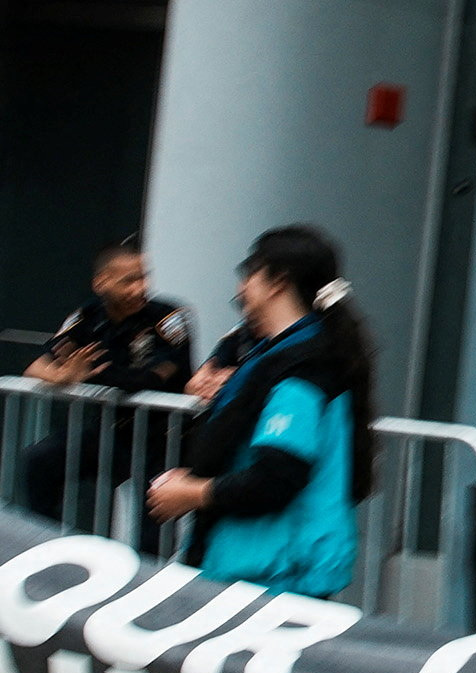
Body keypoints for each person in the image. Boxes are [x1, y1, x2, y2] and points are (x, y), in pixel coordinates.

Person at [146, 225, 370, 598]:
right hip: (254, 567)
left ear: (277, 282)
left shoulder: (303, 368)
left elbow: (276, 477)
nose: (239, 290)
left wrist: (193, 493)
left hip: (274, 575)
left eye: (247, 275)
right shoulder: (283, 355)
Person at [30, 235, 192, 401]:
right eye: (128, 281)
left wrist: (89, 375)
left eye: (143, 278)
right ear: (101, 284)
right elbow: (35, 366)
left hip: (166, 423)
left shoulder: (167, 317)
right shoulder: (89, 315)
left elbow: (152, 377)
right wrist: (61, 376)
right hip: (106, 422)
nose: (140, 289)